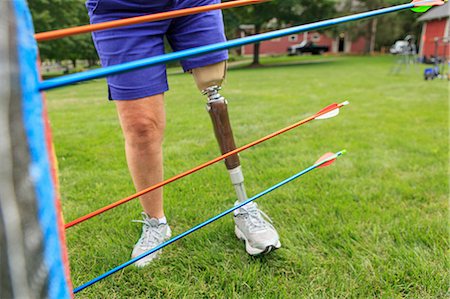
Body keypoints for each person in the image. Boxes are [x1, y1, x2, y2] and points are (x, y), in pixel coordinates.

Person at [86, 0, 280, 267]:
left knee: (214, 91)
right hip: (121, 7)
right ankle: (156, 223)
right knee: (141, 126)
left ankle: (245, 207)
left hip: (192, 2)